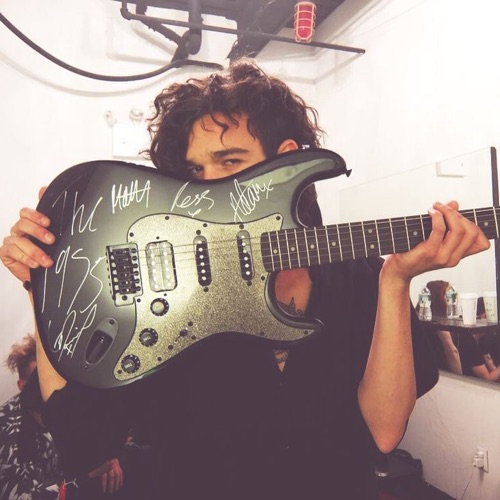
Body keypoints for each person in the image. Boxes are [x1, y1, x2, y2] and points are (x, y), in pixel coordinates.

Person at [0, 58, 490, 499]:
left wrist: (395, 281)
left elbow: (384, 432)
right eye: (195, 170)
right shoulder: (168, 295)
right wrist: (43, 283)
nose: (207, 186)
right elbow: (81, 442)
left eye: (230, 161)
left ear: (287, 161)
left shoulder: (359, 276)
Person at [0, 334, 61, 499]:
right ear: (22, 386)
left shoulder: (57, 408)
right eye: (38, 381)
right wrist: (78, 479)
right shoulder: (10, 429)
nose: (49, 388)